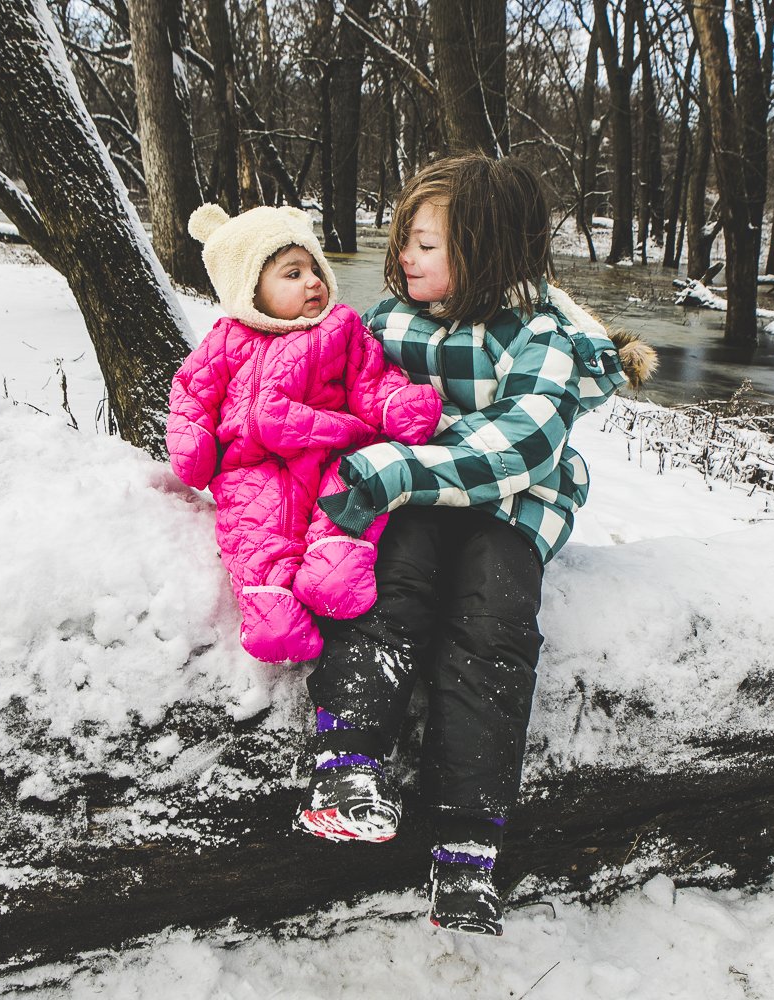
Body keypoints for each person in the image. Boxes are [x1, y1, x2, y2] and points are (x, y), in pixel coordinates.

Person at [292, 155, 656, 936]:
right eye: (406, 240)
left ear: (488, 249)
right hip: (419, 502)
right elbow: (340, 392)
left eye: (427, 243)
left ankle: (468, 842)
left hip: (511, 509)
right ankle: (346, 762)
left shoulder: (541, 338)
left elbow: (520, 448)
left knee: (492, 630)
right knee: (392, 591)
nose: (405, 257)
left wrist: (397, 464)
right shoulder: (389, 321)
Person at [166, 204, 443, 664]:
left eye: (315, 268)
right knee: (255, 535)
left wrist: (398, 404)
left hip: (332, 454)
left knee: (347, 506)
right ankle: (270, 611)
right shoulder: (226, 339)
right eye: (292, 274)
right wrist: (190, 438)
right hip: (251, 469)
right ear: (249, 290)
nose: (313, 281)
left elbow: (370, 379)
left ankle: (335, 572)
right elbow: (191, 391)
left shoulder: (341, 327)